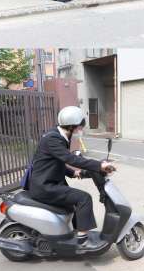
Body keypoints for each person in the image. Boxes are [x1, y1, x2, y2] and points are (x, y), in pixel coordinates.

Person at [28, 106, 114, 250]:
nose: (81, 128)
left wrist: (74, 173)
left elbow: (56, 161)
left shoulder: (59, 135)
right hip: (45, 187)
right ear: (72, 125)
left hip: (49, 182)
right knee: (84, 198)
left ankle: (74, 232)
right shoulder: (53, 138)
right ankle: (82, 241)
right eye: (80, 125)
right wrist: (99, 165)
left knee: (74, 202)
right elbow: (70, 158)